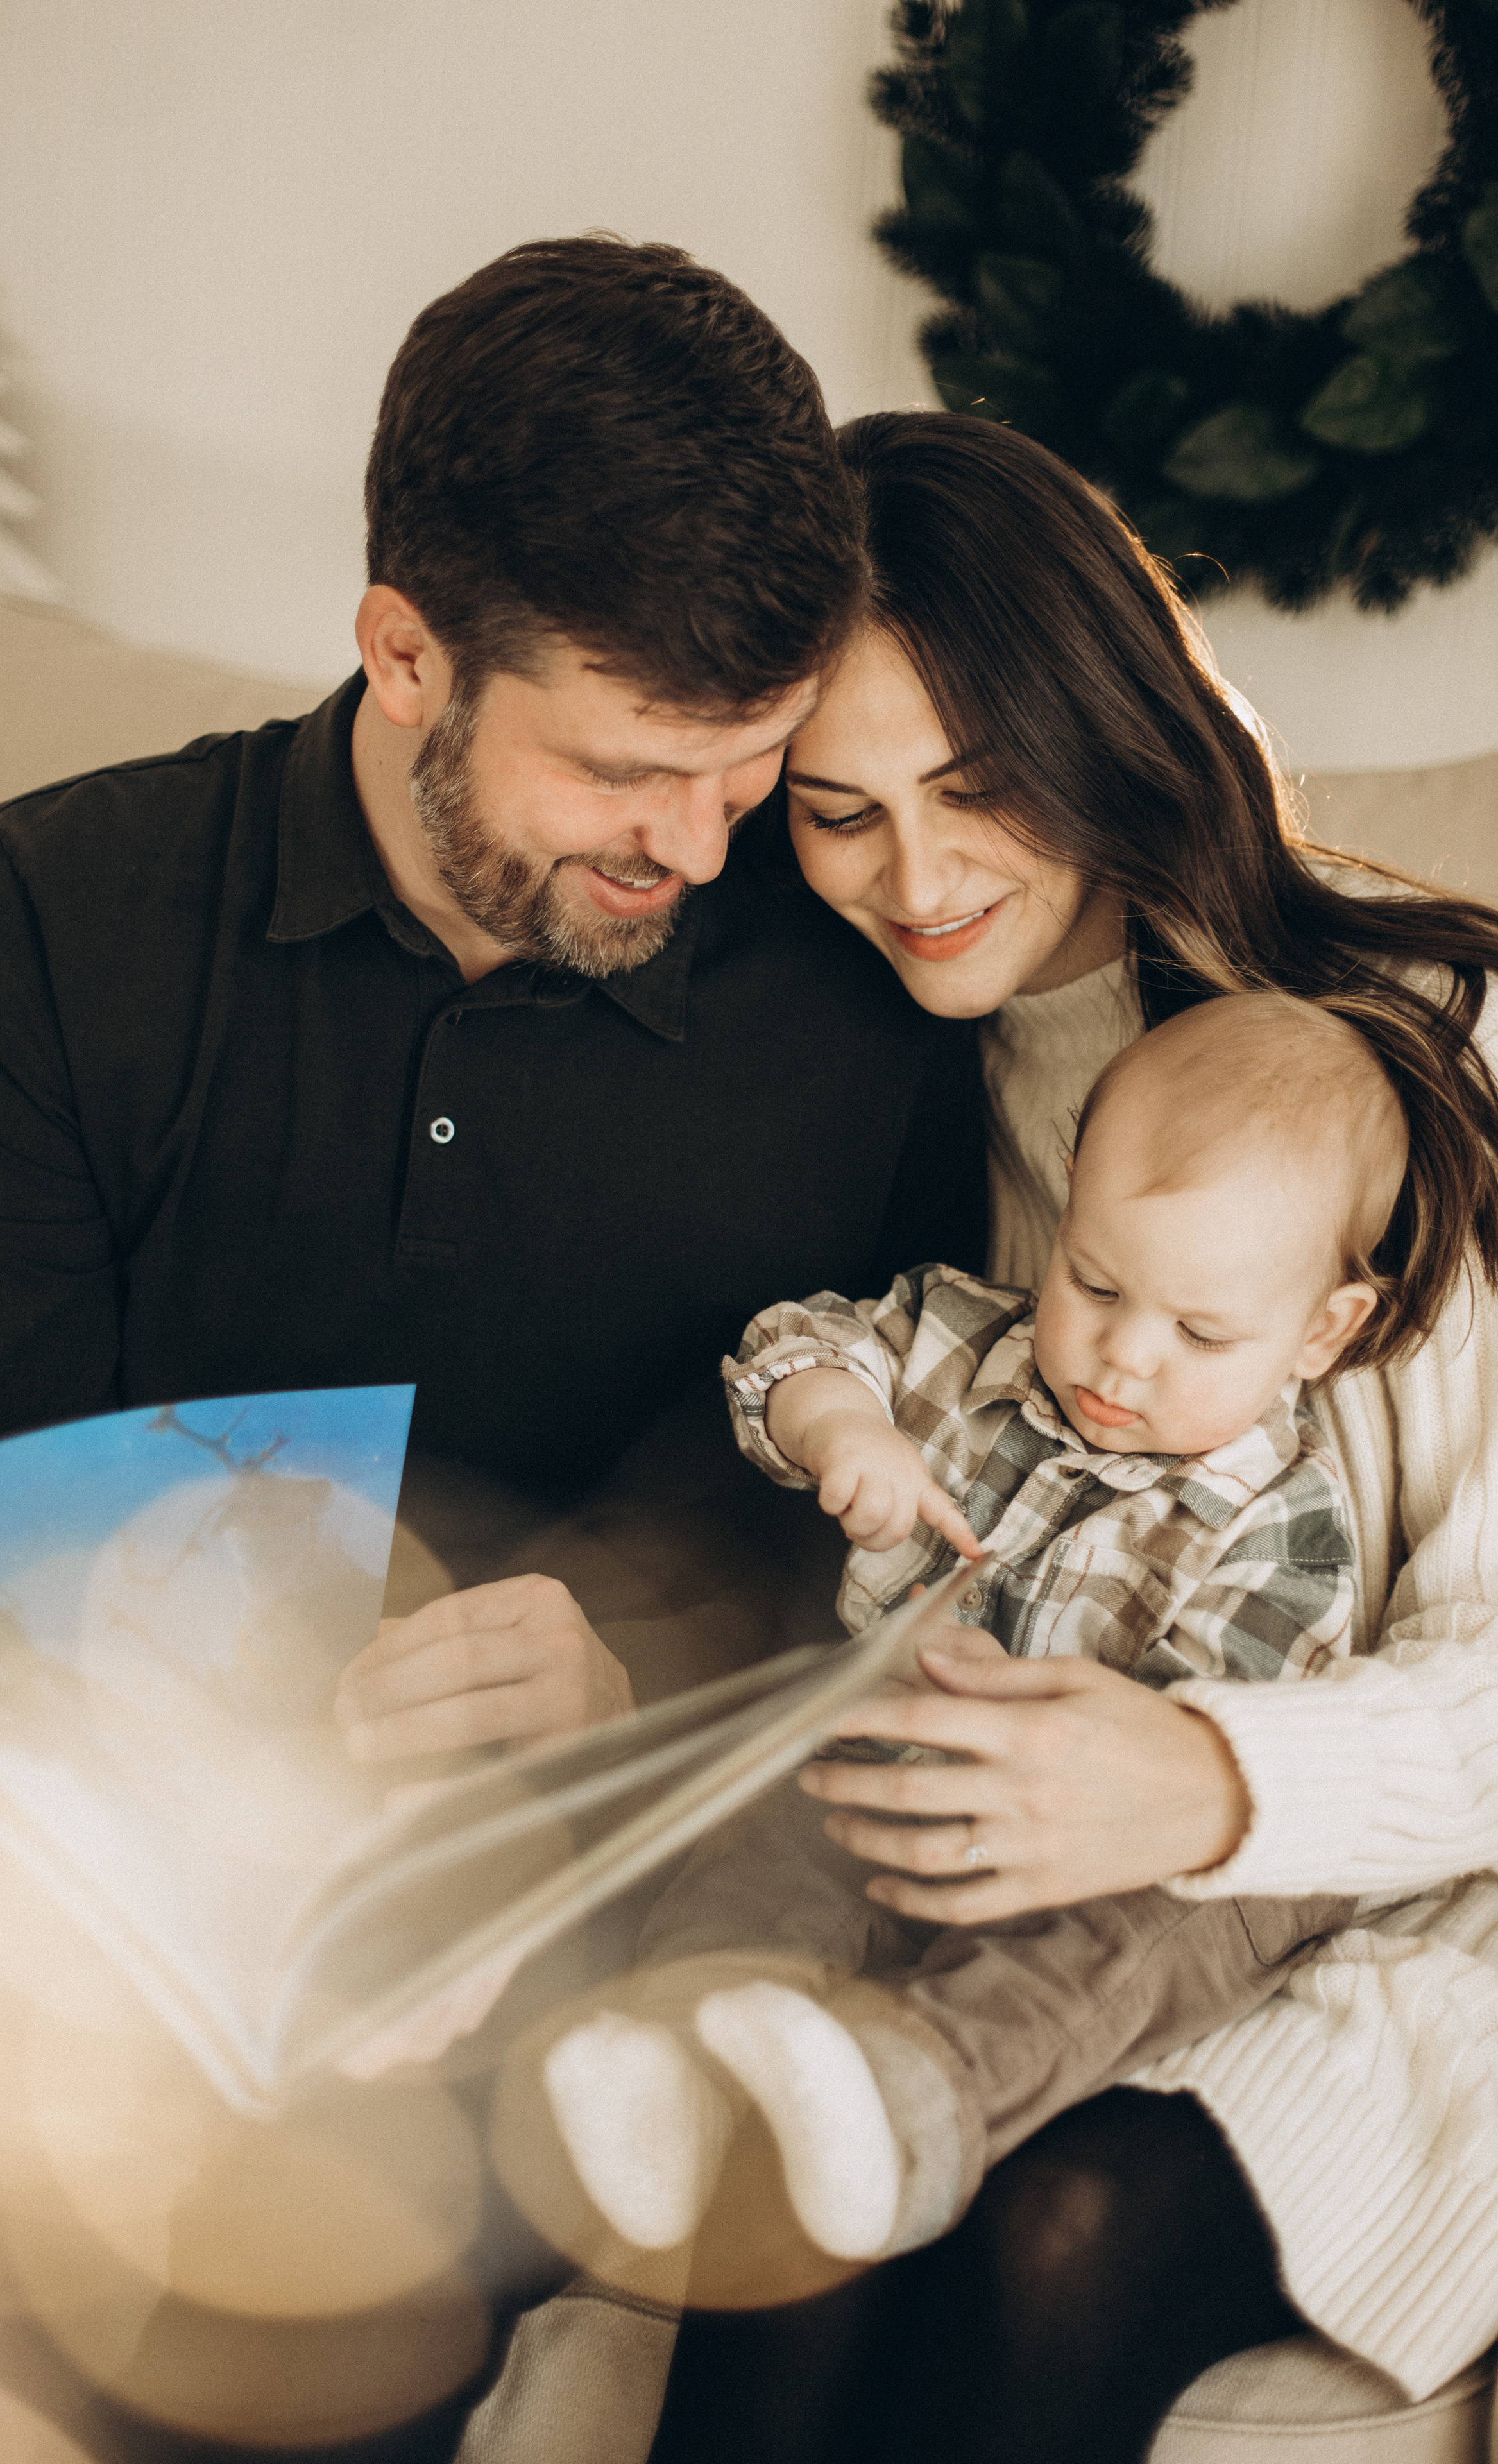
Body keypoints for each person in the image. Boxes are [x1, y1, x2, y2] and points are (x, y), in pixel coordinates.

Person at [496, 411, 1498, 2464]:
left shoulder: (1435, 1051)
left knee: (1054, 2231)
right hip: (974, 1876)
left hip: (1391, 1905)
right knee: (801, 2165)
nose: (921, 880)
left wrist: (1208, 1779)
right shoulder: (872, 1093)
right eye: (840, 814)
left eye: (979, 788)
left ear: (1109, 726)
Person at [0, 236, 985, 1745]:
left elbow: (906, 1512)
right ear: (403, 655)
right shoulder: (54, 919)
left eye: (752, 757)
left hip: (625, 1843)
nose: (702, 847)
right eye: (623, 771)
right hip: (142, 1815)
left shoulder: (867, 965)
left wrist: (626, 1696)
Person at [541, 986, 1477, 2275]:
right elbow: (788, 1349)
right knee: (769, 1827)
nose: (1121, 1356)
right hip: (894, 1764)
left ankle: (918, 2096)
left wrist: (1046, 1723)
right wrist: (843, 1427)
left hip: (1104, 1861)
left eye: (1201, 1331)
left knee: (1125, 1948)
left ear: (1323, 1331)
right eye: (1091, 1281)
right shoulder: (963, 1341)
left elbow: (1205, 1739)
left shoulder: (1282, 1518)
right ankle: (686, 2067)